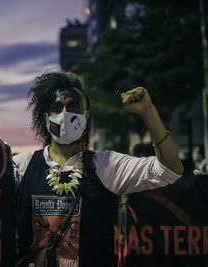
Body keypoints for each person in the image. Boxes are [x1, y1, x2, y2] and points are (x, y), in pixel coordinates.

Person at [13, 71, 183, 267]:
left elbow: (170, 170)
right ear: (46, 117)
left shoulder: (106, 166)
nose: (65, 113)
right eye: (57, 108)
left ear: (86, 117)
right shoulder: (22, 166)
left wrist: (149, 112)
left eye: (73, 107)